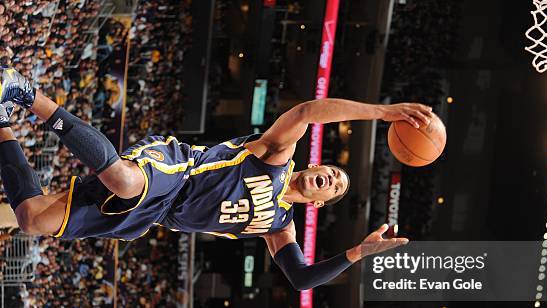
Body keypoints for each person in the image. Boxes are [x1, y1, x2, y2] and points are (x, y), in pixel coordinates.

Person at [0, 67, 434, 290]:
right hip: (176, 170)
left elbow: (301, 280)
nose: (332, 180)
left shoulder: (278, 226)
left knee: (32, 220)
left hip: (157, 214)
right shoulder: (277, 155)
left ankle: (1, 120)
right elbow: (306, 112)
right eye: (333, 173)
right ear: (316, 166)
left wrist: (357, 253)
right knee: (126, 182)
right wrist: (381, 113)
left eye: (336, 188)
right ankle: (22, 91)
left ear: (319, 203)